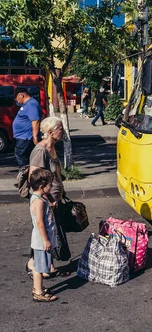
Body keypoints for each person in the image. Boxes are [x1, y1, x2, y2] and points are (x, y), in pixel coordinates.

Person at [26, 117, 70, 279]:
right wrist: (49, 200)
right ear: (50, 132)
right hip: (46, 201)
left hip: (55, 198)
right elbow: (35, 179)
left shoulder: (52, 148)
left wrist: (61, 191)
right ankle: (33, 263)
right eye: (60, 128)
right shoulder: (40, 151)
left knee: (52, 231)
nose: (62, 131)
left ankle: (49, 265)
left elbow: (56, 173)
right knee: (42, 231)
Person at [29, 168, 58, 302]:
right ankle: (38, 292)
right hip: (41, 240)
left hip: (40, 239)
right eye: (50, 185)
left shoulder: (38, 198)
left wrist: (51, 206)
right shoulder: (39, 201)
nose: (51, 187)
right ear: (42, 187)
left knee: (39, 265)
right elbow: (40, 222)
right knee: (40, 267)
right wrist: (46, 240)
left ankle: (37, 288)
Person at [12, 87, 42, 167]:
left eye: (16, 98)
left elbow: (35, 121)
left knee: (21, 156)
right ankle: (28, 175)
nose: (16, 101)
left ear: (21, 95)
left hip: (25, 137)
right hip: (23, 137)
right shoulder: (27, 104)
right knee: (25, 157)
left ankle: (25, 175)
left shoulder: (31, 104)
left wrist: (35, 137)